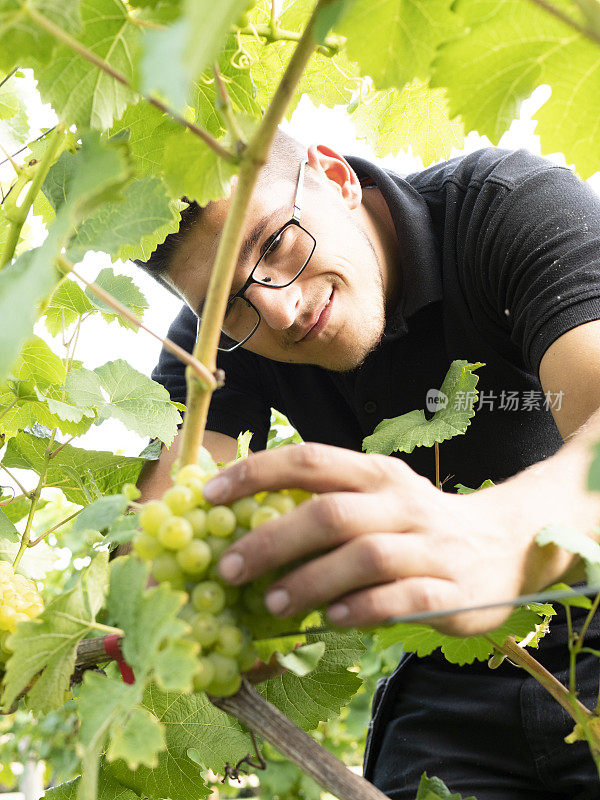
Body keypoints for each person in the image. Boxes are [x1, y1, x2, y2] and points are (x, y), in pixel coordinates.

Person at [133, 129, 600, 799]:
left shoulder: (506, 206)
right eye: (228, 302)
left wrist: (500, 531)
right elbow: (170, 516)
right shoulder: (221, 340)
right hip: (452, 675)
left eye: (273, 243)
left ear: (336, 177)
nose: (279, 308)